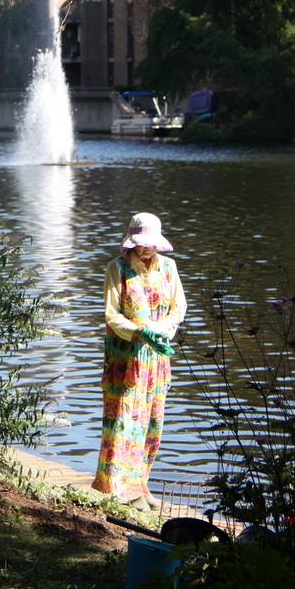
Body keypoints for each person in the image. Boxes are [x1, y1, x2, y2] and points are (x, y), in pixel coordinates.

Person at [92, 212, 187, 510]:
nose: (147, 249)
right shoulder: (117, 269)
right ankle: (119, 488)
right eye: (142, 244)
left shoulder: (169, 268)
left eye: (151, 244)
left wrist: (161, 332)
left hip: (157, 358)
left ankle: (141, 484)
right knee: (123, 419)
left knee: (152, 421)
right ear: (131, 242)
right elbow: (112, 315)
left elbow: (178, 308)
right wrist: (139, 332)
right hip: (126, 356)